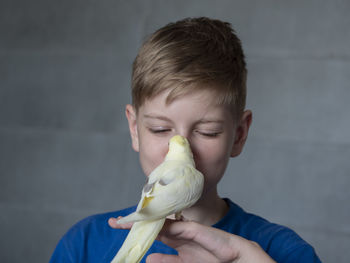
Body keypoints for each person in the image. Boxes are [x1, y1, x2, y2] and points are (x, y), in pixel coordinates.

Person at [50, 17, 321, 262]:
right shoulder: (83, 244)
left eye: (207, 132)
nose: (179, 149)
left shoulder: (287, 253)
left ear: (239, 135)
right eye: (159, 129)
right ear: (135, 130)